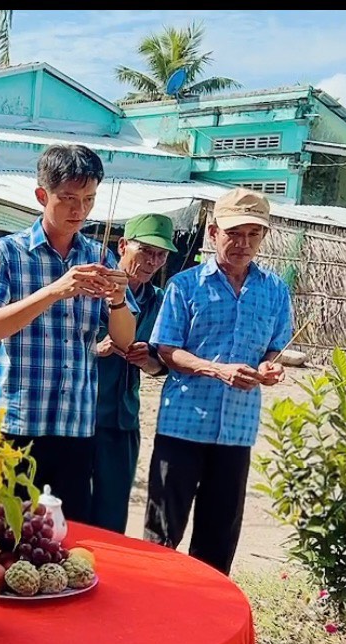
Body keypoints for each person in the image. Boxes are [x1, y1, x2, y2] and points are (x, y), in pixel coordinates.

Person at [0, 145, 136, 525]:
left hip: (75, 425)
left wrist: (117, 299)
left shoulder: (100, 257)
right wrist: (54, 291)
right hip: (17, 425)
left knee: (67, 537)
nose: (79, 210)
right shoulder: (6, 253)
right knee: (5, 534)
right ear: (41, 195)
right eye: (68, 199)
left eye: (89, 199)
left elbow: (125, 340)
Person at [145, 189, 292, 576]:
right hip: (182, 426)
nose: (243, 243)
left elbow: (275, 348)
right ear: (213, 233)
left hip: (237, 432)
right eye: (234, 233)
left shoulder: (275, 290)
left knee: (218, 538)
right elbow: (167, 350)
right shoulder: (185, 285)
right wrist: (218, 370)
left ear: (263, 237)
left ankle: (206, 610)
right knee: (161, 534)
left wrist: (270, 368)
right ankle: (152, 604)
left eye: (253, 234)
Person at [89, 214, 177, 534]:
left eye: (161, 255)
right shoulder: (93, 288)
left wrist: (146, 360)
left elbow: (160, 364)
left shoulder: (159, 301)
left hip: (123, 419)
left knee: (112, 517)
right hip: (80, 414)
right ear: (123, 245)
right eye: (146, 251)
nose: (152, 261)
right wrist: (95, 348)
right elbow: (60, 341)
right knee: (69, 509)